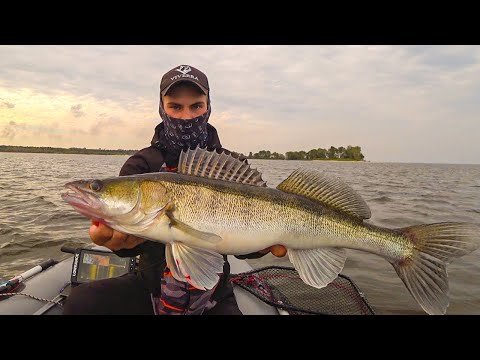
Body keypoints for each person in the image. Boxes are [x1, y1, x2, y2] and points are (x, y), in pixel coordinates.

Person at [63, 64, 287, 315]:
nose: (187, 116)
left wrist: (262, 245)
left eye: (196, 106)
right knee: (82, 302)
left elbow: (249, 239)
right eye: (175, 107)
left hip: (214, 292)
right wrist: (122, 244)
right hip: (151, 286)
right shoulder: (140, 165)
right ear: (162, 108)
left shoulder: (230, 165)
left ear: (208, 107)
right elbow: (131, 242)